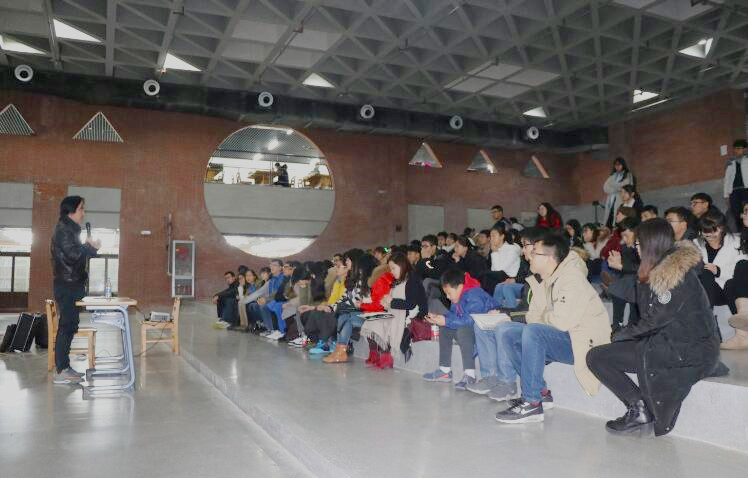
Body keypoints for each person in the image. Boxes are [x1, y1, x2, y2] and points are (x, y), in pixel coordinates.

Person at [586, 218, 720, 435]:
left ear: (651, 245)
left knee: (598, 357)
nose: (635, 247)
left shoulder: (675, 277)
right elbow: (638, 292)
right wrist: (613, 286)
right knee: (597, 356)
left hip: (688, 350)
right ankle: (639, 407)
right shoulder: (660, 270)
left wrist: (617, 336)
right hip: (665, 342)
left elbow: (653, 321)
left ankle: (640, 410)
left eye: (638, 243)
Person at [493, 233, 611, 424]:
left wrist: (544, 317)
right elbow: (533, 316)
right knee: (507, 332)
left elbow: (560, 322)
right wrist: (545, 317)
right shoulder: (543, 279)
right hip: (565, 336)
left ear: (549, 258)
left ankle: (532, 403)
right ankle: (541, 393)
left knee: (533, 332)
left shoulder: (571, 278)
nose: (528, 255)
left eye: (535, 252)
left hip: (584, 343)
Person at [51, 196, 100, 384]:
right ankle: (61, 370)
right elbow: (73, 255)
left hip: (72, 284)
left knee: (71, 325)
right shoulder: (63, 230)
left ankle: (65, 367)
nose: (83, 213)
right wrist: (88, 246)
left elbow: (78, 256)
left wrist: (92, 249)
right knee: (66, 326)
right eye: (81, 209)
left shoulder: (70, 230)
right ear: (70, 211)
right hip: (67, 286)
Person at [423, 269, 495, 389]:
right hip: (471, 330)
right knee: (445, 327)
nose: (447, 297)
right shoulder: (457, 297)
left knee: (463, 329)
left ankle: (470, 375)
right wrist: (440, 318)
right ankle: (445, 370)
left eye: (449, 293)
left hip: (484, 333)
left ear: (460, 287)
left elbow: (472, 319)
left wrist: (446, 320)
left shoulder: (475, 295)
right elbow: (453, 317)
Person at [360, 252, 427, 369]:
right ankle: (374, 353)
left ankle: (386, 356)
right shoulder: (398, 281)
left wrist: (391, 302)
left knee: (380, 323)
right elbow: (394, 301)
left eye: (393, 268)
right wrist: (386, 302)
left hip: (410, 315)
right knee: (370, 320)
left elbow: (411, 304)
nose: (391, 272)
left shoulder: (412, 280)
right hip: (397, 312)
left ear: (402, 265)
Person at [694, 210, 746, 317]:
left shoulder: (737, 242)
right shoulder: (695, 245)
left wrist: (719, 271)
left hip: (732, 289)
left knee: (730, 284)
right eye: (705, 231)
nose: (709, 235)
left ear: (722, 228)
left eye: (713, 231)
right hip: (709, 291)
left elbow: (743, 272)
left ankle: (742, 319)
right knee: (705, 273)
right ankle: (707, 317)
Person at [606, 218, 640, 332]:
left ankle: (628, 326)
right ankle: (617, 324)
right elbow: (625, 269)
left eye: (626, 236)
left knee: (627, 283)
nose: (624, 239)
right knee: (619, 285)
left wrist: (621, 266)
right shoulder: (625, 247)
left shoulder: (645, 246)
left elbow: (644, 268)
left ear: (636, 232)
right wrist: (615, 264)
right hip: (626, 284)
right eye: (622, 236)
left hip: (637, 285)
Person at [722, 202, 748, 349]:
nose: (745, 215)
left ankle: (745, 313)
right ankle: (742, 336)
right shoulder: (743, 238)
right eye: (744, 211)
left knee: (742, 264)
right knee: (730, 285)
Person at [481, 224, 521, 293]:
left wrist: (494, 252)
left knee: (486, 275)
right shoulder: (496, 248)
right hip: (500, 275)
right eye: (490, 236)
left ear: (502, 236)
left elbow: (500, 269)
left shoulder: (511, 249)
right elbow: (493, 269)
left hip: (511, 277)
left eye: (494, 236)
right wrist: (494, 251)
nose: (491, 239)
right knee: (485, 274)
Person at [602, 157, 635, 227]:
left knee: (618, 217)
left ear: (623, 165)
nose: (617, 166)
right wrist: (616, 188)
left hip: (620, 199)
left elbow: (626, 186)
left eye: (619, 164)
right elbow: (605, 188)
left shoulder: (628, 174)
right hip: (611, 200)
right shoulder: (612, 176)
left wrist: (613, 185)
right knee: (608, 219)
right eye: (616, 165)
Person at [724, 139, 748, 229]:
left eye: (739, 148)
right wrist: (726, 195)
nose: (736, 151)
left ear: (745, 149)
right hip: (734, 191)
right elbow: (727, 179)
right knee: (736, 212)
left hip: (746, 189)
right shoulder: (730, 162)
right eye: (735, 149)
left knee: (746, 210)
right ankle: (740, 231)